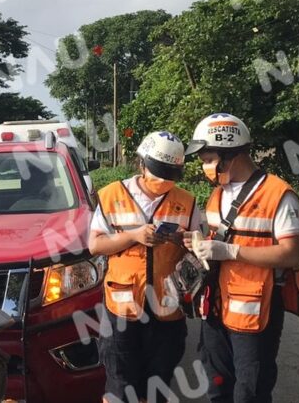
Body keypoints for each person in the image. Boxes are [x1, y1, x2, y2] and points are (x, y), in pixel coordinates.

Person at [183, 113, 299, 403]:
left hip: (256, 312)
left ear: (230, 155)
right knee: (217, 387)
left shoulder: (278, 195)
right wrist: (201, 244)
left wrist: (231, 251)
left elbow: (292, 254)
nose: (204, 166)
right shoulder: (217, 195)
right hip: (215, 307)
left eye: (208, 158)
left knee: (250, 392)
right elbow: (219, 241)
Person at [88, 131, 196, 403]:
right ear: (141, 164)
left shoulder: (186, 201)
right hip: (122, 307)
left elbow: (198, 246)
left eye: (170, 174)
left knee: (158, 384)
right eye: (159, 172)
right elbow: (95, 246)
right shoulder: (111, 195)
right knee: (120, 383)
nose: (164, 180)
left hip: (167, 306)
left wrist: (184, 240)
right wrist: (133, 236)